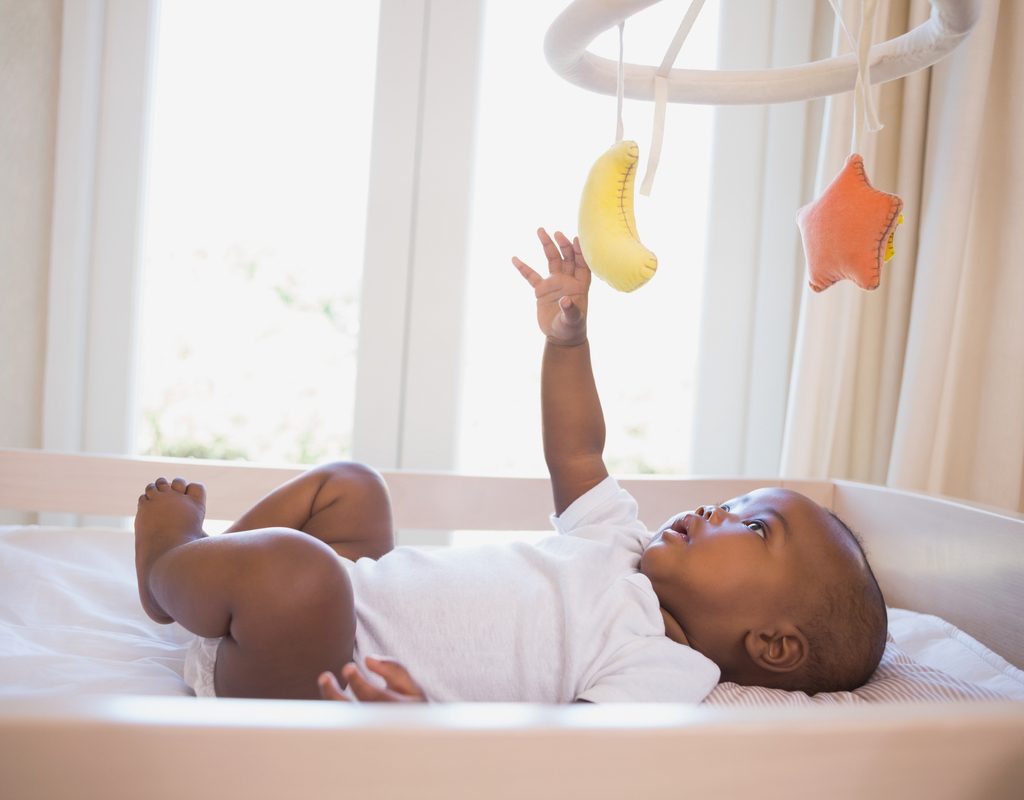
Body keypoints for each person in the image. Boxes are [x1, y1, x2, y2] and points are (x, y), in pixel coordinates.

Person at [134, 227, 887, 703]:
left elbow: (556, 764)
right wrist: (567, 343)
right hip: (352, 596)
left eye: (753, 528)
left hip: (313, 673)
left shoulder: (665, 671)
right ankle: (207, 580)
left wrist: (421, 727)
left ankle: (172, 564)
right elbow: (578, 451)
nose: (717, 510)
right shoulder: (619, 542)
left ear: (773, 645)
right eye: (736, 501)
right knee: (352, 487)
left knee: (303, 577)